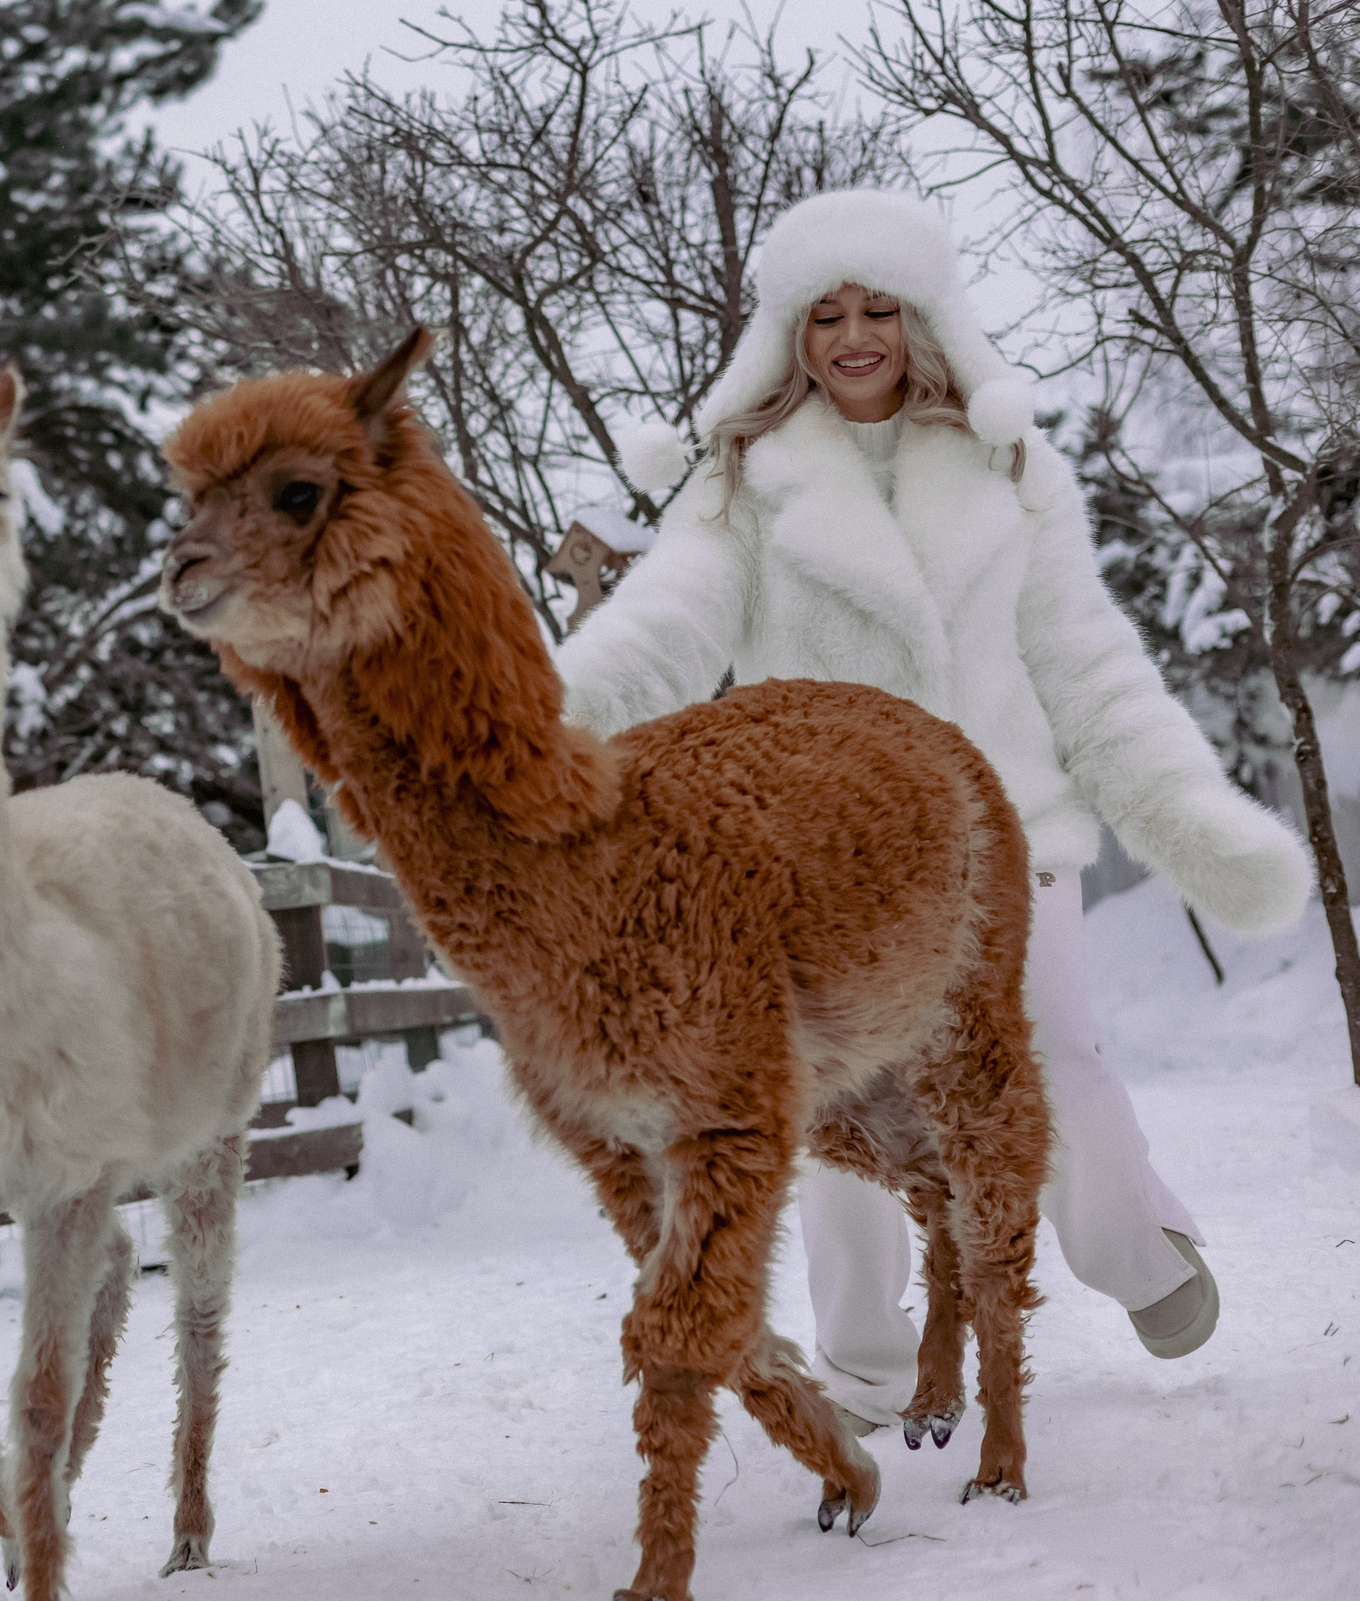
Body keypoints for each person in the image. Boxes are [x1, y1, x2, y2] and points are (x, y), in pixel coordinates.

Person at [553, 188, 1312, 1436]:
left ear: (923, 321)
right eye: (825, 315)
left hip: (999, 839)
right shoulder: (742, 482)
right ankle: (866, 1355)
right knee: (841, 1113)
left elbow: (1086, 661)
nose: (854, 336)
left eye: (879, 310)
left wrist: (1188, 817)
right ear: (787, 339)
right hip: (824, 862)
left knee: (1053, 1061)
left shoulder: (1012, 466)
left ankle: (1134, 1249)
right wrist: (536, 734)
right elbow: (667, 624)